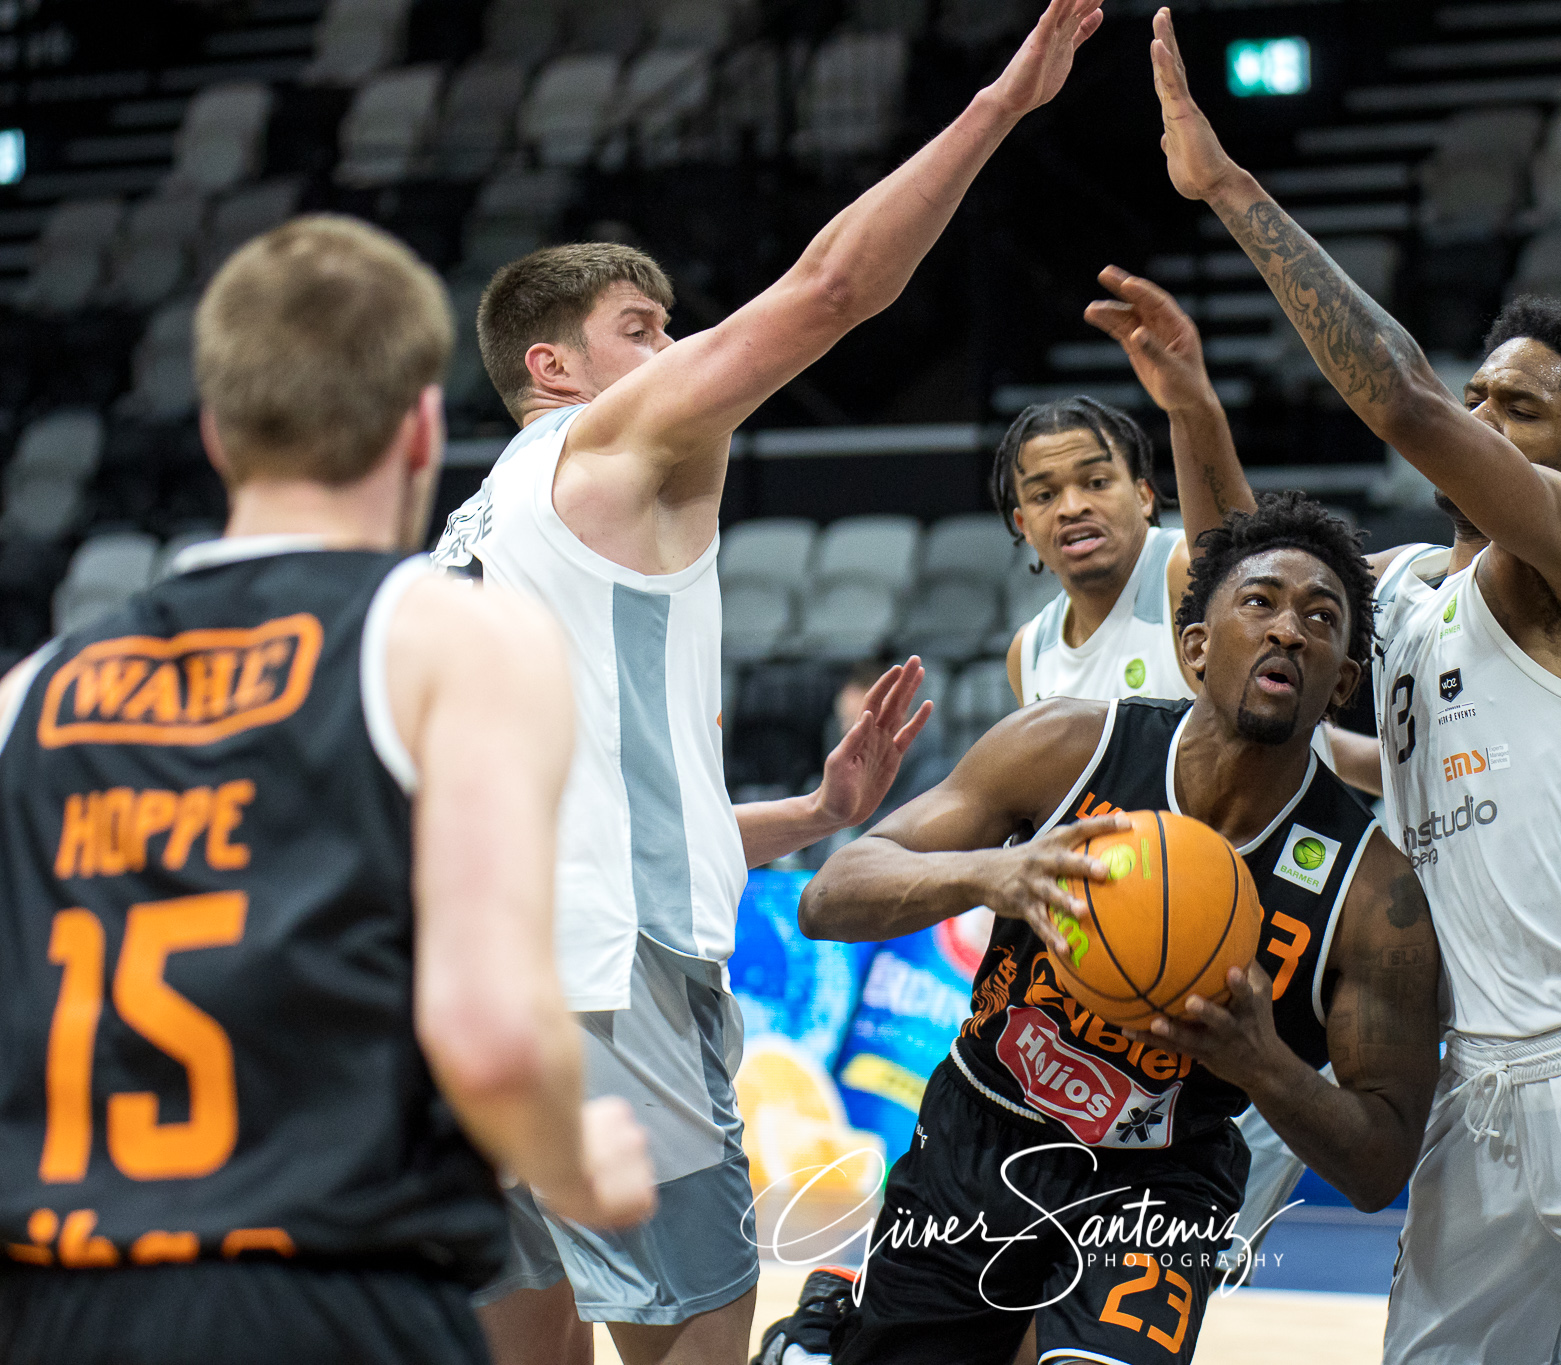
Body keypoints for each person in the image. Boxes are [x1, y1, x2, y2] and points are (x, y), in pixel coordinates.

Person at [427, 5, 1106, 1362]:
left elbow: (578, 819)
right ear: (553, 370)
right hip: (610, 987)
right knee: (698, 1341)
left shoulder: (472, 532)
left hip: (474, 988)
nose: (676, 350)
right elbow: (832, 292)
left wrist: (807, 815)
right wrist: (998, 110)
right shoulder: (603, 448)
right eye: (642, 327)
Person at [1147, 10, 1561, 1364]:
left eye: (1520, 410)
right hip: (1475, 1092)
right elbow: (1244, 588)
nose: (1482, 424)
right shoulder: (1414, 585)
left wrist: (1231, 192)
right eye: (1482, 398)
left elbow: (1406, 404)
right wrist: (1198, 414)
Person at [0, 216, 655, 1365]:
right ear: (419, 428)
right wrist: (572, 1154)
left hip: (64, 1298)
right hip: (329, 1290)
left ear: (216, 433)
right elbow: (489, 1034)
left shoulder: (31, 692)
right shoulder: (450, 643)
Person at [800, 493, 1443, 1365]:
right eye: (1259, 602)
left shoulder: (1372, 891)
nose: (1289, 629)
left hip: (1164, 1178)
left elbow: (1379, 1163)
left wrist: (1262, 1062)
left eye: (1320, 617)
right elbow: (831, 893)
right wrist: (995, 872)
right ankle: (820, 1337)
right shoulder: (1067, 749)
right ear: (1194, 647)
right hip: (983, 1126)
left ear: (1343, 683)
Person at [1001, 268, 1384, 795]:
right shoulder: (1030, 650)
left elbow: (1246, 555)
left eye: (1095, 481)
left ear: (1143, 494)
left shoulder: (1180, 571)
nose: (1071, 507)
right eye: (1044, 495)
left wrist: (1191, 408)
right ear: (1023, 524)